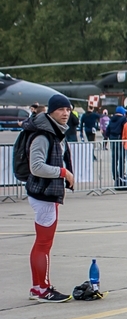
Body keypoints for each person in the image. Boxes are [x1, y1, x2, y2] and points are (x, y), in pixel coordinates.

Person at [24, 94, 76, 302]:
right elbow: (36, 166)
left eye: (68, 109)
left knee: (43, 242)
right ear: (51, 111)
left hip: (47, 193)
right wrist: (63, 173)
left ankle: (38, 287)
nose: (65, 113)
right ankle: (42, 288)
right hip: (43, 194)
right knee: (43, 243)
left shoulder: (54, 132)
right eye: (61, 109)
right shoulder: (43, 135)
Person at [104, 106, 127, 182]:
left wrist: (106, 139)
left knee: (114, 159)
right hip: (120, 140)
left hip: (112, 140)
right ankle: (121, 175)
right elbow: (126, 128)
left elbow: (107, 130)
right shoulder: (123, 119)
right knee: (121, 159)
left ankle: (115, 175)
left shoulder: (111, 120)